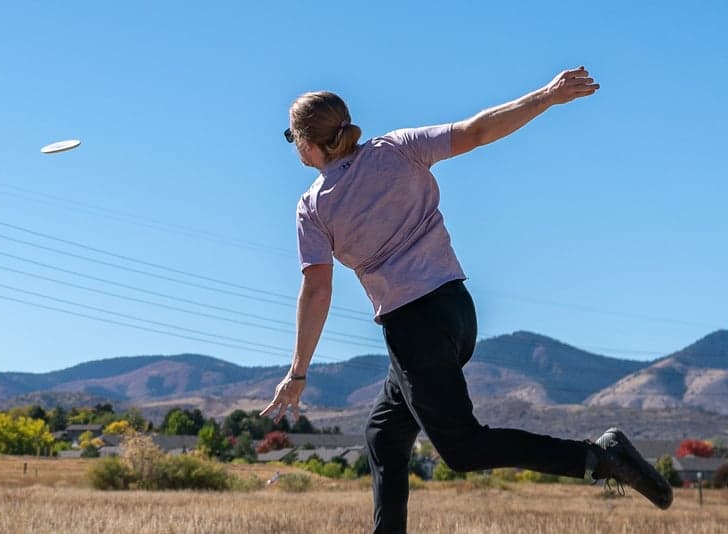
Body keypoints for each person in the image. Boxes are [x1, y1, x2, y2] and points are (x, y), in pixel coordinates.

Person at [261, 67, 672, 533]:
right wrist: (546, 96)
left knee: (461, 448)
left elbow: (318, 288)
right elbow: (477, 131)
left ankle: (599, 458)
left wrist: (298, 372)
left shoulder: (314, 206)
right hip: (457, 311)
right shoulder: (397, 147)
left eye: (291, 137)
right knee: (384, 433)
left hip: (413, 328)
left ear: (306, 143)